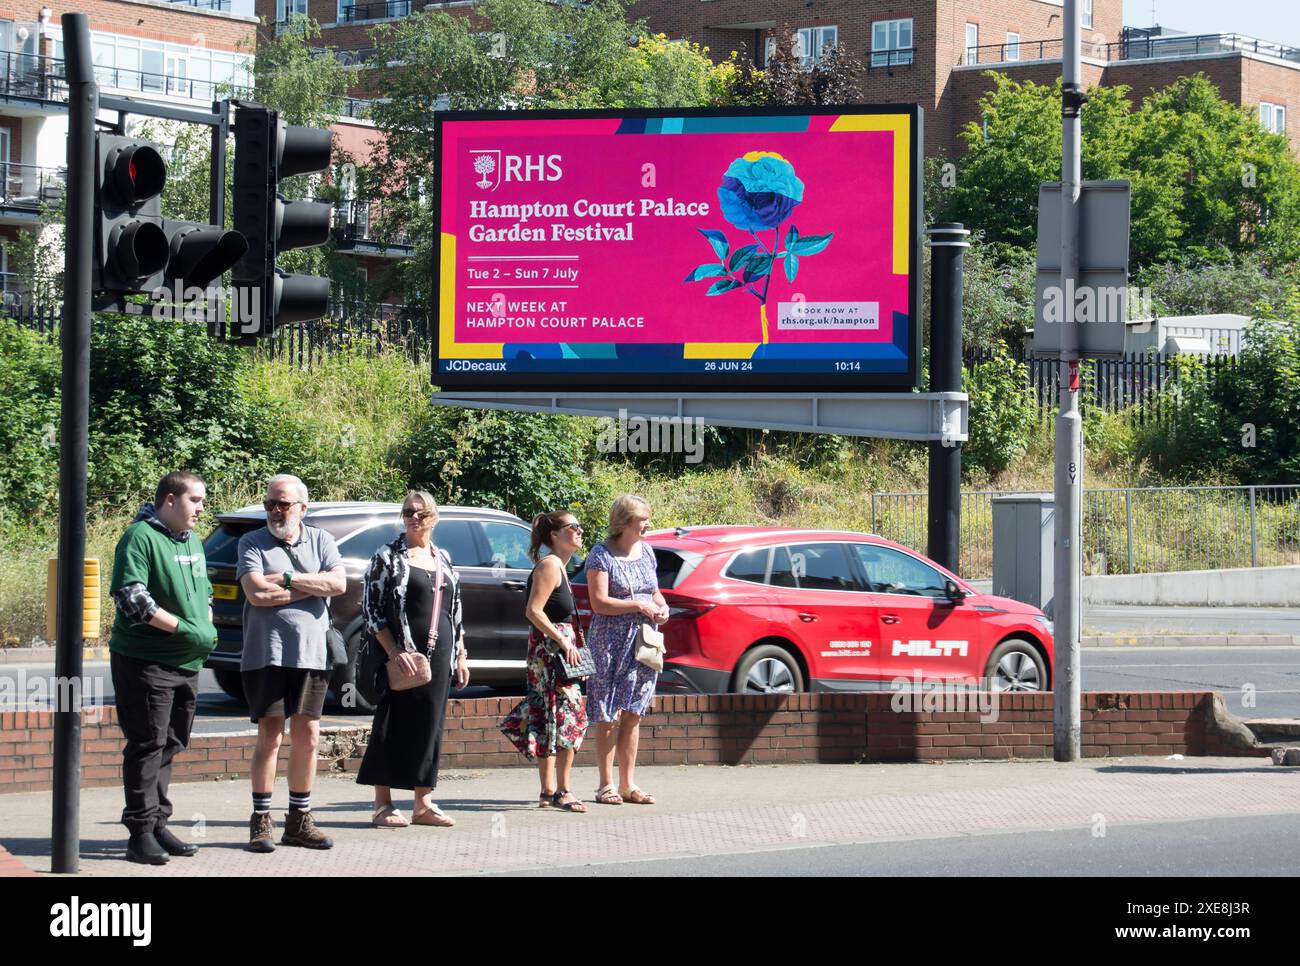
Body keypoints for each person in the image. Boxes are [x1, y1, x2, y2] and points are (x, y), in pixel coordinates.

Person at [108, 471, 219, 865]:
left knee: (172, 743)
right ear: (170, 499)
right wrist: (186, 629)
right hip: (147, 661)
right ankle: (139, 834)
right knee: (147, 743)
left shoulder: (191, 540)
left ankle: (157, 823)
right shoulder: (140, 537)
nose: (201, 508)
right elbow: (132, 598)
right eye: (196, 500)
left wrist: (204, 623)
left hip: (186, 661)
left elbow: (204, 589)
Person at [237, 474, 346, 852]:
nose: (275, 510)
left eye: (283, 504)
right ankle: (260, 821)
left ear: (303, 507)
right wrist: (309, 589)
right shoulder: (251, 542)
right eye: (270, 503)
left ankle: (299, 820)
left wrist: (286, 578)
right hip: (266, 652)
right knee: (270, 735)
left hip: (312, 654)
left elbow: (338, 585)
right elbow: (255, 594)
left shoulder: (322, 540)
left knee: (309, 735)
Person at [357, 491, 469, 828]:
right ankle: (382, 803)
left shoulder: (442, 557)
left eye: (421, 513)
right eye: (408, 512)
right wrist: (394, 651)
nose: (414, 518)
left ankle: (423, 803)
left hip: (439, 654)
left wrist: (461, 654)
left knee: (430, 726)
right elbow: (371, 609)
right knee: (392, 723)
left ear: (434, 517)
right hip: (401, 656)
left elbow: (455, 609)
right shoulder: (387, 556)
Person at [499, 510, 589, 812]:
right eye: (572, 527)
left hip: (559, 654)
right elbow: (533, 611)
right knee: (559, 718)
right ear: (555, 535)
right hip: (550, 655)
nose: (579, 531)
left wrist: (574, 648)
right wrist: (563, 640)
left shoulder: (561, 567)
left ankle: (550, 790)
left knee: (556, 718)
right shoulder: (549, 566)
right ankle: (559, 790)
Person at [584, 494, 669, 806]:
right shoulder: (601, 555)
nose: (647, 524)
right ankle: (605, 785)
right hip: (609, 643)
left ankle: (627, 784)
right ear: (624, 523)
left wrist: (663, 608)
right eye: (641, 520)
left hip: (643, 641)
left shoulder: (646, 552)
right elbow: (599, 602)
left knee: (634, 712)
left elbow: (656, 592)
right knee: (607, 713)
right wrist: (638, 605)